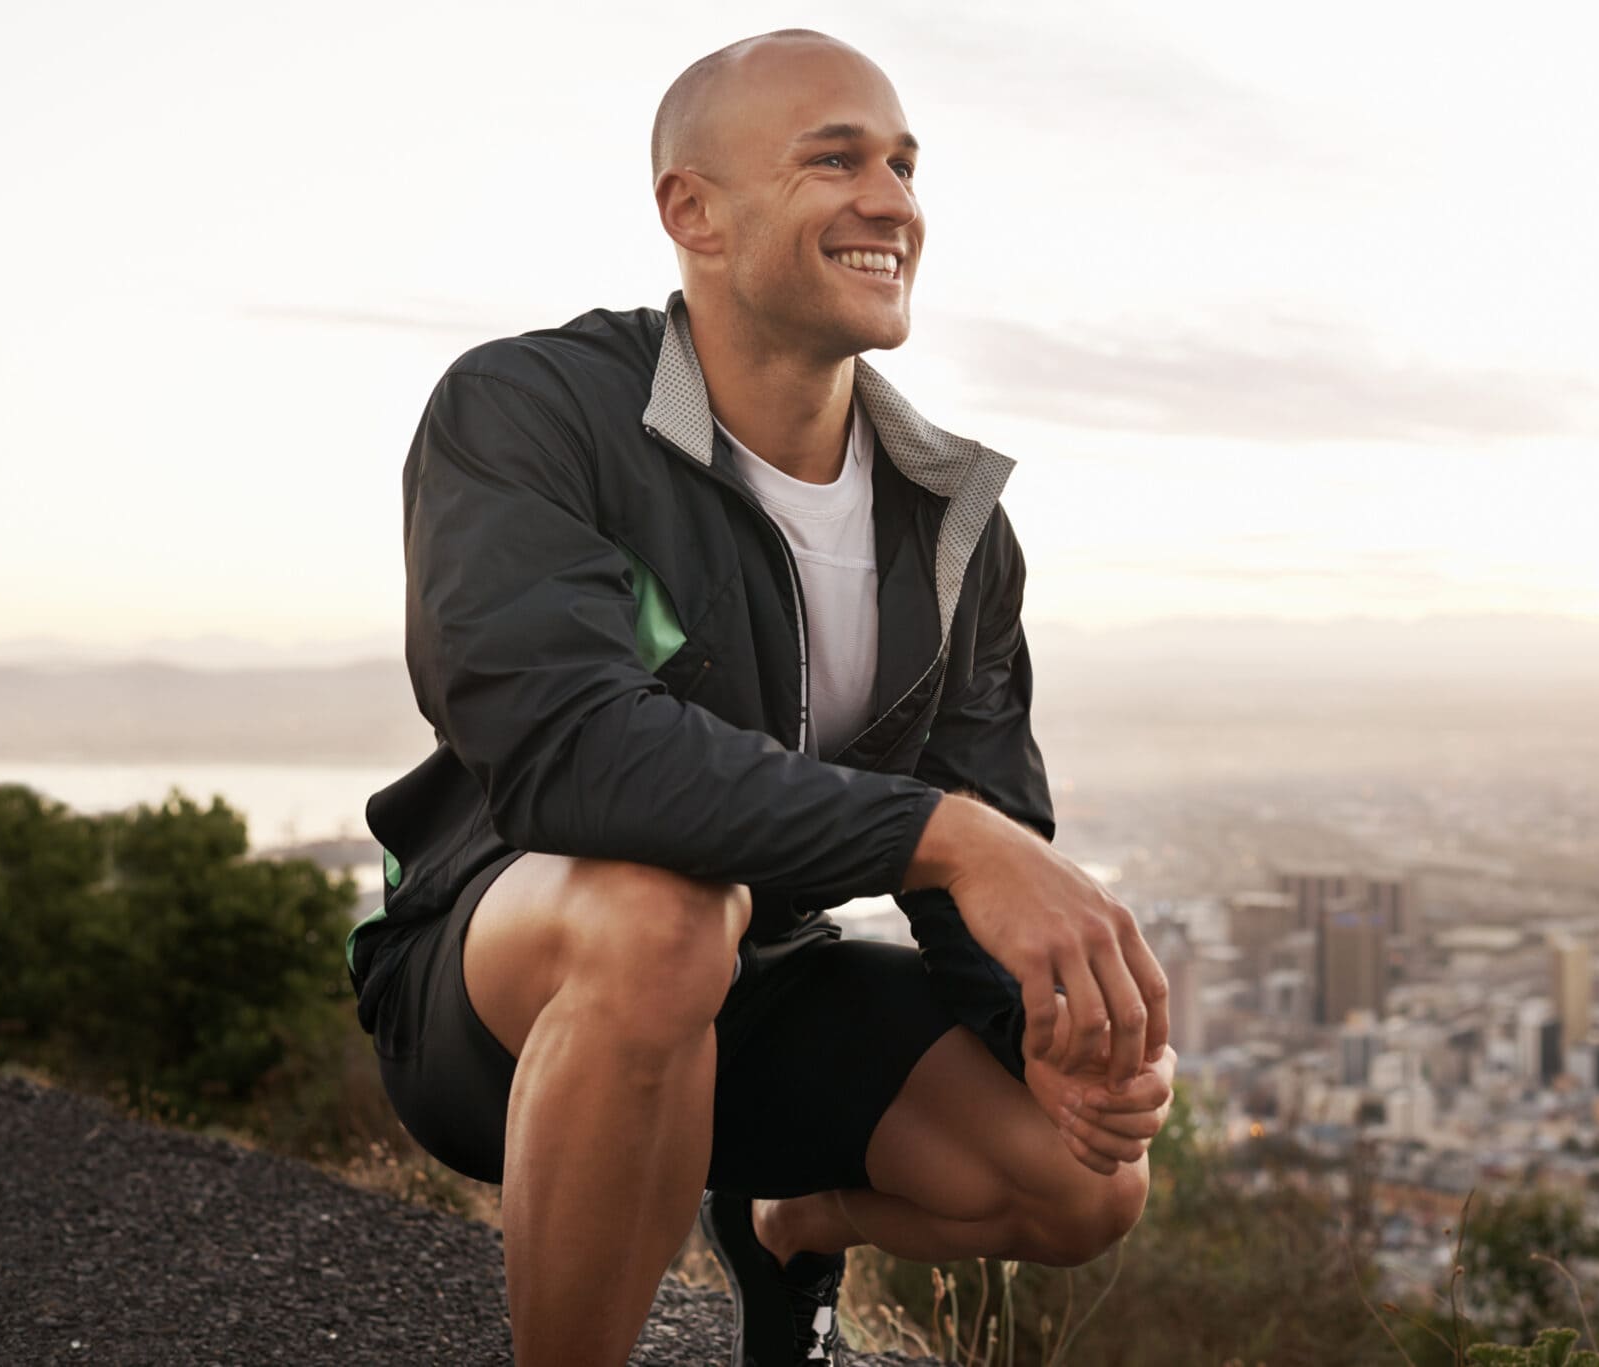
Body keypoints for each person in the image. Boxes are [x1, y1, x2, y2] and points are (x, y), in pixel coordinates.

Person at [340, 26, 1178, 1367]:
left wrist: (1070, 1043)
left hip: (760, 984)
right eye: (835, 160)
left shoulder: (952, 521)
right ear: (695, 212)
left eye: (904, 165)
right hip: (501, 987)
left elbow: (987, 862)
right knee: (666, 916)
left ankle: (788, 1226)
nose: (891, 200)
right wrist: (946, 837)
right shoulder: (532, 407)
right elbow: (566, 752)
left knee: (1085, 1183)